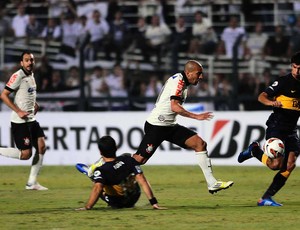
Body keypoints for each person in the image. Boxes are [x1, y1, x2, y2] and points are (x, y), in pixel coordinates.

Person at [132, 60, 234, 194]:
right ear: (188, 73)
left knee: (199, 144)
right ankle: (112, 166)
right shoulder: (179, 82)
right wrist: (196, 116)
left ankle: (212, 183)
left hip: (169, 126)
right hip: (157, 126)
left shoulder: (182, 81)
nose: (201, 77)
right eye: (199, 73)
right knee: (139, 160)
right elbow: (174, 106)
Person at [238, 51, 300, 206]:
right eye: (295, 67)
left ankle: (265, 198)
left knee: (290, 165)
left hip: (291, 130)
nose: (297, 71)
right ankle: (255, 150)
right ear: (292, 66)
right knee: (275, 166)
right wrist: (272, 103)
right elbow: (262, 96)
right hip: (276, 127)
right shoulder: (283, 82)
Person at [75, 135, 165, 210]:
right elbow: (142, 180)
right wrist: (154, 203)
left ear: (100, 152)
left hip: (116, 203)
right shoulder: (129, 159)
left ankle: (91, 175)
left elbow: (97, 189)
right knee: (132, 175)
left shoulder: (102, 170)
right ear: (116, 148)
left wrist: (87, 207)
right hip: (133, 198)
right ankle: (94, 176)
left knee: (98, 182)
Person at [0, 51, 48, 191]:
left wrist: (35, 103)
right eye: (26, 60)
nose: (29, 63)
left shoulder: (31, 75)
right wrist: (18, 111)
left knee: (42, 147)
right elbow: (3, 95)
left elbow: (27, 93)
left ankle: (32, 183)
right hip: (20, 121)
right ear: (22, 62)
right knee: (26, 154)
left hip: (31, 119)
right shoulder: (18, 76)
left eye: (31, 60)